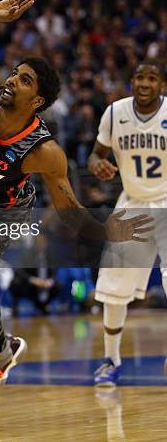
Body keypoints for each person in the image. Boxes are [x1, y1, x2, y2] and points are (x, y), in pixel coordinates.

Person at [0, 0, 154, 428]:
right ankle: (0, 348)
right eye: (17, 73)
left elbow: (68, 209)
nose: (12, 80)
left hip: (2, 211)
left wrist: (107, 233)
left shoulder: (44, 151)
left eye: (25, 81)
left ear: (38, 101)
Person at [89, 59, 166, 387]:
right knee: (112, 287)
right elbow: (96, 154)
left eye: (152, 78)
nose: (145, 83)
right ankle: (111, 360)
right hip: (132, 203)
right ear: (131, 81)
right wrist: (97, 166)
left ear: (162, 85)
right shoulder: (114, 113)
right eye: (139, 77)